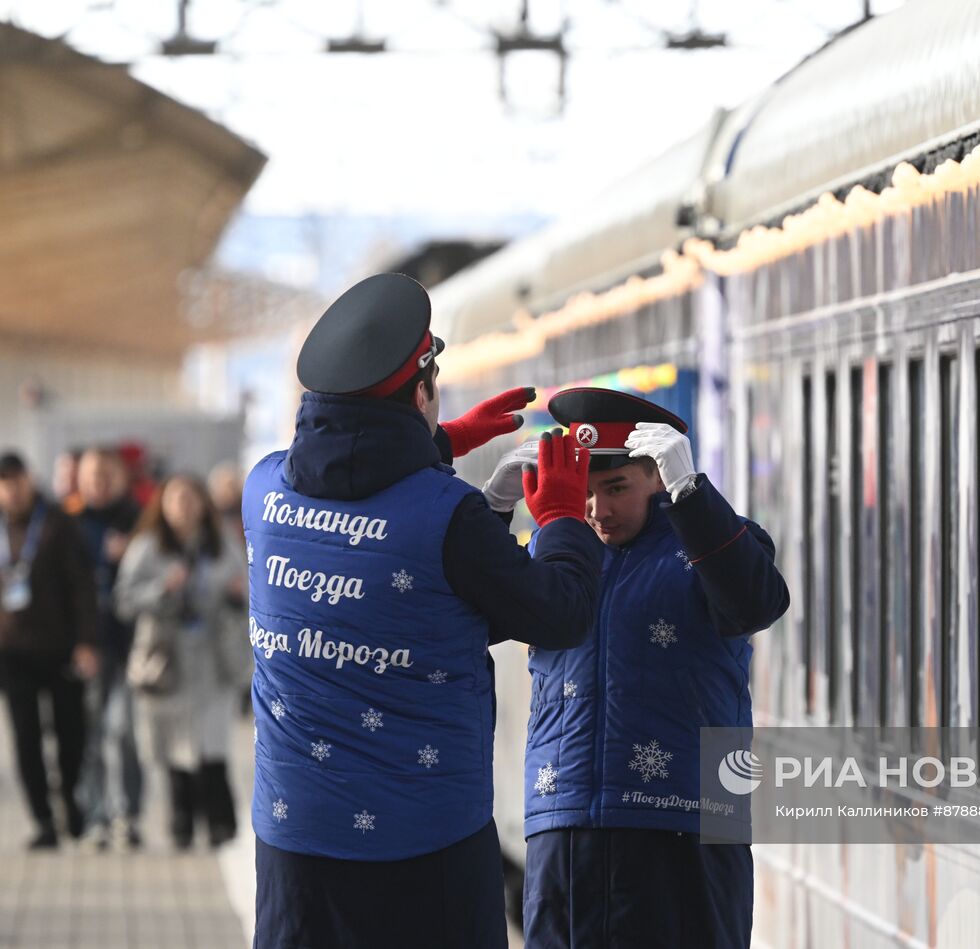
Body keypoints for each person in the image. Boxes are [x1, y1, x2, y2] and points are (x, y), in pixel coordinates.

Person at [245, 272, 601, 949]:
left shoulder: (262, 492)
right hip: (423, 849)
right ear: (421, 389)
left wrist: (434, 445)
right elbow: (560, 614)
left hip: (294, 844)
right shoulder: (450, 520)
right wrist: (558, 515)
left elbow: (356, 504)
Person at [485, 388, 790, 948]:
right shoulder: (560, 553)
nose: (598, 510)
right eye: (587, 494)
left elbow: (756, 603)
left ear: (656, 474)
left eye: (616, 488)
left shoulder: (714, 541)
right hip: (566, 820)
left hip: (689, 824)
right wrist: (495, 511)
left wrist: (692, 495)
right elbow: (468, 617)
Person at [114, 474, 246, 849]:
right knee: (173, 744)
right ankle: (181, 820)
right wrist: (162, 590)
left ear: (204, 504)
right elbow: (123, 600)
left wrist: (237, 596)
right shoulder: (147, 547)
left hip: (213, 657)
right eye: (176, 499)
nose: (185, 507)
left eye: (192, 499)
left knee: (212, 744)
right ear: (163, 504)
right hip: (166, 660)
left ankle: (221, 822)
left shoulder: (222, 545)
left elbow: (251, 590)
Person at [0, 451, 100, 849]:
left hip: (60, 649)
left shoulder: (58, 522)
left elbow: (82, 587)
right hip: (11, 653)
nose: (10, 489)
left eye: (15, 480)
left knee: (70, 733)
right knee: (25, 739)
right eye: (3, 483)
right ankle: (43, 820)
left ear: (29, 479)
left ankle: (72, 805)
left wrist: (87, 642)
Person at [74, 447, 144, 850]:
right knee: (92, 733)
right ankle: (95, 814)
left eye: (105, 475)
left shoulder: (138, 521)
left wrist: (126, 557)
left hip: (132, 644)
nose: (98, 483)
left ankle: (128, 814)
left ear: (120, 478)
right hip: (90, 645)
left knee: (125, 733)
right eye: (91, 476)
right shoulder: (71, 524)